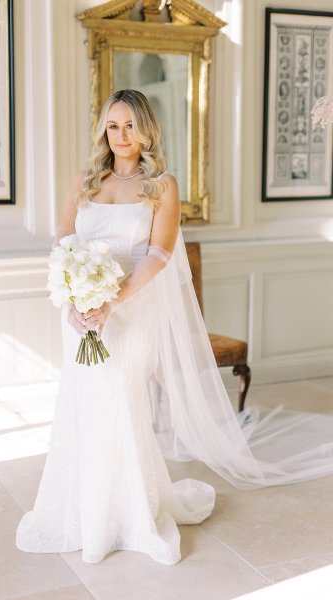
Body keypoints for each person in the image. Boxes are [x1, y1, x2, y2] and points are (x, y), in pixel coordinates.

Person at [16, 89, 333, 565]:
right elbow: (64, 236)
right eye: (113, 126)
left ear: (146, 129)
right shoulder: (84, 180)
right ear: (104, 129)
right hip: (80, 314)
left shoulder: (162, 185)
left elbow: (159, 255)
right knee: (82, 404)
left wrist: (109, 300)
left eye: (129, 126)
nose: (121, 136)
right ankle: (81, 510)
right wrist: (76, 300)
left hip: (131, 310)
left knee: (122, 403)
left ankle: (130, 516)